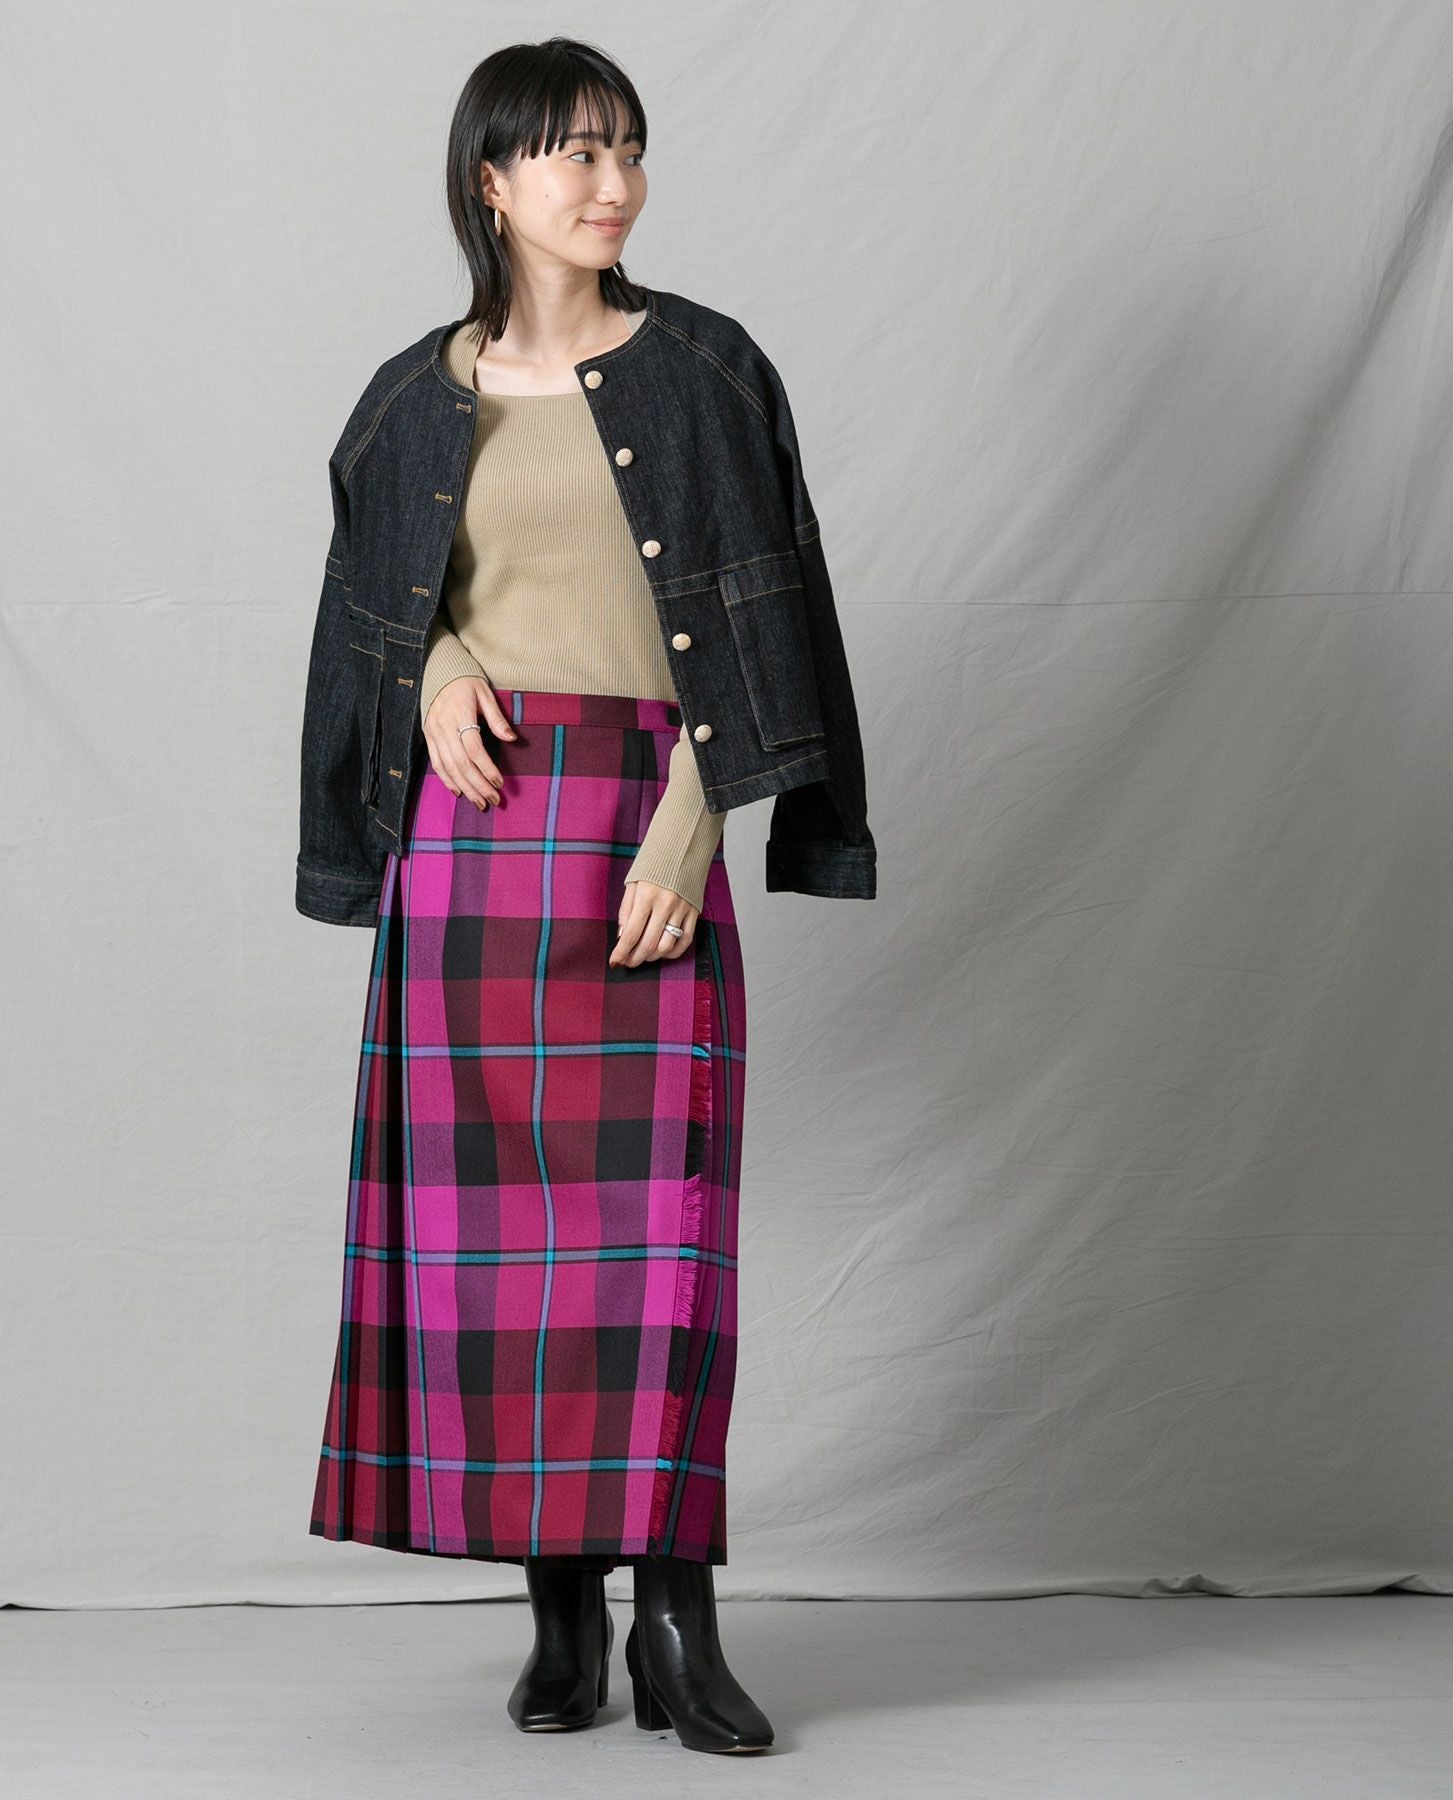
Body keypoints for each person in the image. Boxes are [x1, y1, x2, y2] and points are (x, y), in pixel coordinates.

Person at [301, 36, 875, 1756]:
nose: (613, 183)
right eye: (574, 153)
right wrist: (434, 676)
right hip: (475, 844)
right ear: (493, 182)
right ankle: (560, 1613)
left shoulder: (705, 371)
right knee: (488, 1257)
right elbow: (378, 602)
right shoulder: (411, 397)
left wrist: (699, 822)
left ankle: (676, 1619)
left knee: (658, 1247)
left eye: (627, 148)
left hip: (644, 808)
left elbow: (772, 605)